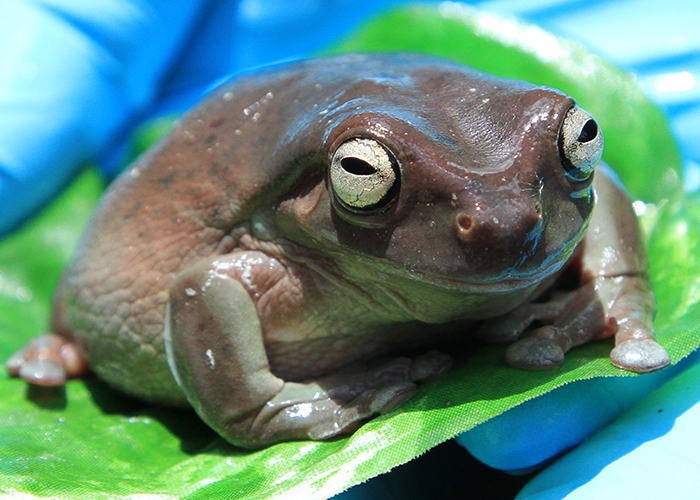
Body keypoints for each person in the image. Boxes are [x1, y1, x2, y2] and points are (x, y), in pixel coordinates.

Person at [2, 1, 699, 498]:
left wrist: (616, 282)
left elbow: (596, 183)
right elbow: (200, 291)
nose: (503, 222)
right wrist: (260, 408)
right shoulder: (275, 254)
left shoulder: (528, 191)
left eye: (571, 145)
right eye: (367, 178)